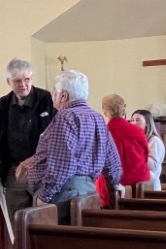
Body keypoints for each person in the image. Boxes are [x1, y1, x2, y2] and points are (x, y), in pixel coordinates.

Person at [27, 70, 123, 225]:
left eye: (54, 91)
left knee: (53, 239)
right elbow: (112, 161)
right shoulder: (97, 118)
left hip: (63, 193)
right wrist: (114, 185)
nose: (52, 95)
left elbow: (62, 163)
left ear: (63, 95)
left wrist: (44, 196)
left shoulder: (66, 117)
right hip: (87, 191)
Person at [0, 58, 57, 221]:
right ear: (9, 82)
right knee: (18, 221)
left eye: (27, 79)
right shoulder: (3, 104)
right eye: (17, 81)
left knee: (43, 220)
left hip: (42, 170)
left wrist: (34, 160)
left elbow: (55, 138)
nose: (23, 84)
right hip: (15, 172)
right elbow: (0, 138)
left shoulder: (47, 99)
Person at [96, 94, 150, 205]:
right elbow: (145, 156)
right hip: (138, 186)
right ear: (124, 109)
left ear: (105, 111)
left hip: (112, 188)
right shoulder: (137, 131)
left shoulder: (102, 132)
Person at [132, 109, 166, 190]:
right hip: (138, 186)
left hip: (150, 186)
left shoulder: (154, 140)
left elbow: (153, 165)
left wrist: (135, 151)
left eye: (138, 120)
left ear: (147, 123)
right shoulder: (136, 140)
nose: (134, 123)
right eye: (132, 120)